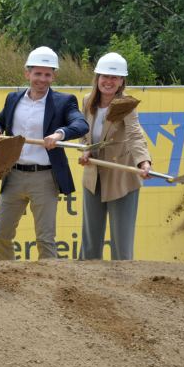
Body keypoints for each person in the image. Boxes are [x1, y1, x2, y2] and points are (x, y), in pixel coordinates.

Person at [0, 46, 89, 260]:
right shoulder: (13, 98)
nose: (42, 79)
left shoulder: (64, 101)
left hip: (44, 178)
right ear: (27, 74)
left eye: (47, 74)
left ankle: (49, 289)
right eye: (37, 73)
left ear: (54, 76)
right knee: (1, 236)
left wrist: (60, 134)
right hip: (13, 175)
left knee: (45, 239)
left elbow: (81, 124)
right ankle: (8, 279)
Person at [77, 52, 151, 260]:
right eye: (105, 76)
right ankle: (87, 284)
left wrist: (144, 162)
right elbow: (84, 135)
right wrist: (85, 149)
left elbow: (135, 134)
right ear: (97, 78)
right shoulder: (86, 101)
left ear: (121, 82)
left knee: (121, 242)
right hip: (94, 176)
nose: (109, 82)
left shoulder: (126, 104)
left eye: (115, 78)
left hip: (121, 178)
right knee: (90, 242)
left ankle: (124, 287)